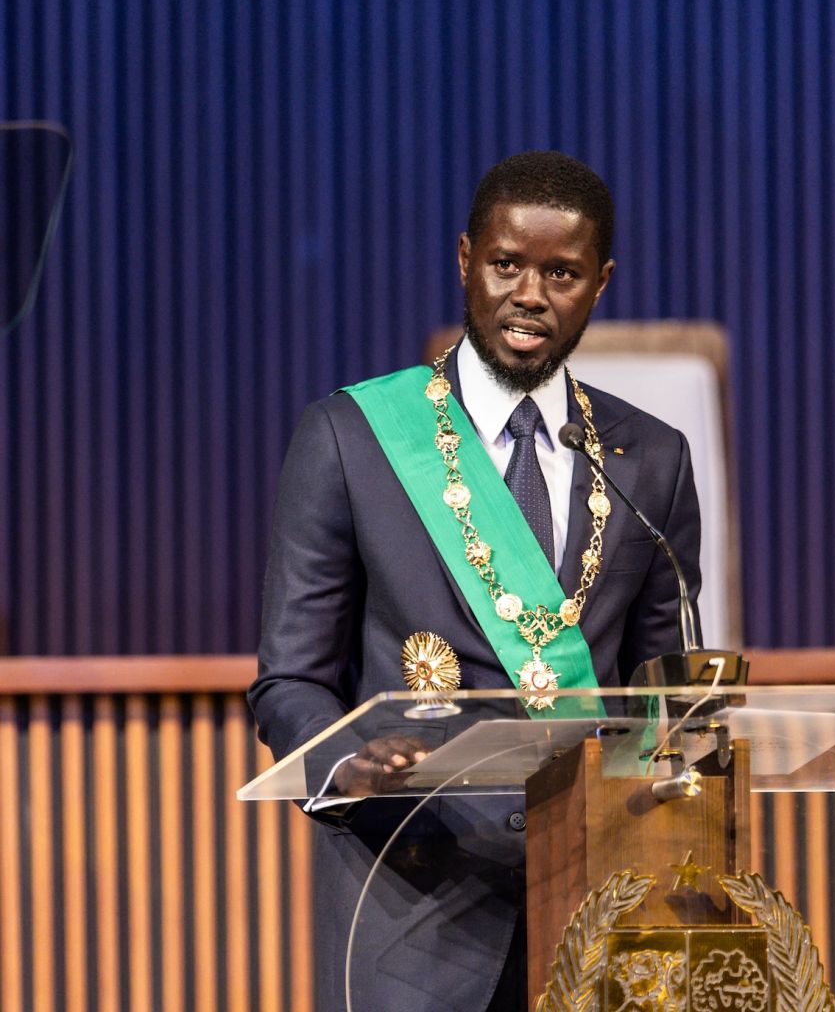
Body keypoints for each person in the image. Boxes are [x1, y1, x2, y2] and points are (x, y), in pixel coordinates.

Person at [248, 151, 702, 1011]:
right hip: (406, 902)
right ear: (466, 261)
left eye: (560, 272)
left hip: (595, 905)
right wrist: (348, 763)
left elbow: (658, 693)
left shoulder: (654, 460)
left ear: (599, 284)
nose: (529, 293)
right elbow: (290, 679)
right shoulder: (352, 438)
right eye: (506, 265)